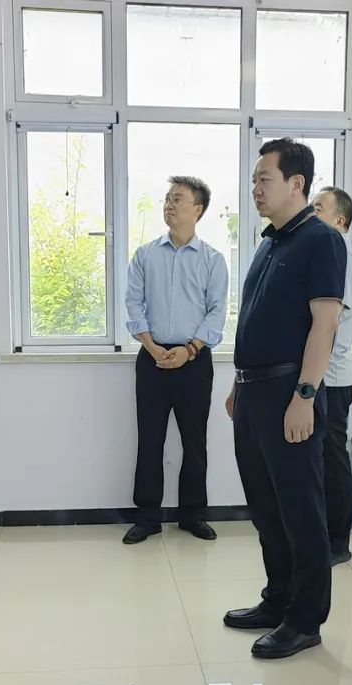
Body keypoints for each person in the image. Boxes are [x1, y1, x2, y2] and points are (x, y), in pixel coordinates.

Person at [223, 138, 346, 660]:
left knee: (300, 509)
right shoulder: (270, 242)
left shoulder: (321, 240)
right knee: (266, 506)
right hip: (253, 391)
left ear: (297, 184)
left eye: (264, 179)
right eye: (254, 179)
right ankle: (277, 599)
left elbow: (325, 325)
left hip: (289, 392)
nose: (255, 188)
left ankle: (305, 618)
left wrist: (305, 396)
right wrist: (239, 383)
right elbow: (259, 320)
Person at [123, 176, 229, 545]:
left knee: (194, 441)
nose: (169, 204)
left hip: (194, 361)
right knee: (149, 440)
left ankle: (193, 515)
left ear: (197, 209)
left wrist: (190, 349)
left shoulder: (213, 261)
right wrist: (152, 347)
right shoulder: (145, 255)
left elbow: (217, 312)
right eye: (167, 199)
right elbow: (133, 304)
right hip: (151, 358)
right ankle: (147, 517)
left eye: (178, 199)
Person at [312, 186, 352, 566]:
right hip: (319, 376)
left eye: (319, 208)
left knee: (333, 461)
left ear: (340, 220)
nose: (311, 214)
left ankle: (337, 544)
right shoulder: (324, 254)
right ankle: (320, 538)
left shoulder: (345, 256)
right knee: (318, 461)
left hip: (332, 378)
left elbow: (329, 321)